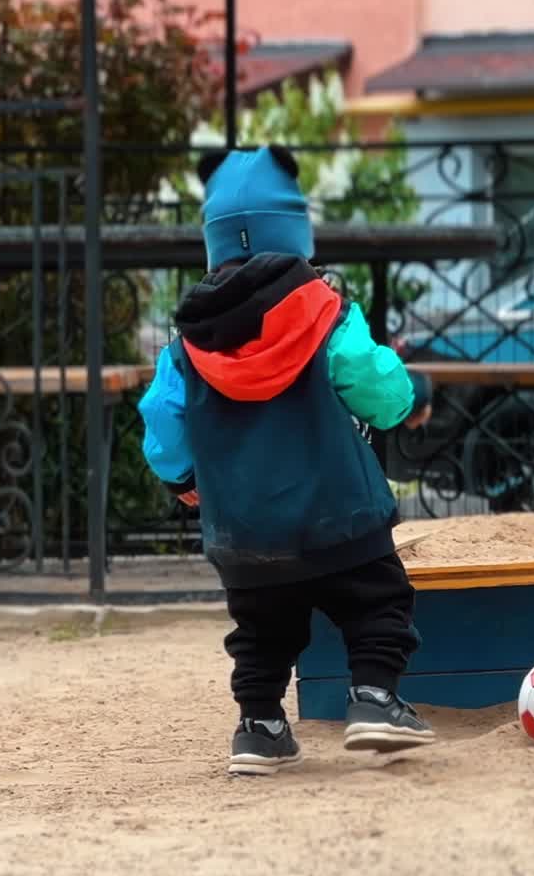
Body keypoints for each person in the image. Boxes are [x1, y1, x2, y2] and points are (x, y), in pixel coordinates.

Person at [139, 145, 436, 775]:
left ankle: (260, 727)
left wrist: (183, 479)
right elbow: (370, 380)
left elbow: (163, 418)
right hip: (339, 513)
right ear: (295, 232)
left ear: (214, 242)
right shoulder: (323, 310)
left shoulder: (190, 341)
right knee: (379, 602)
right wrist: (405, 400)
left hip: (244, 532)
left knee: (261, 632)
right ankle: (376, 699)